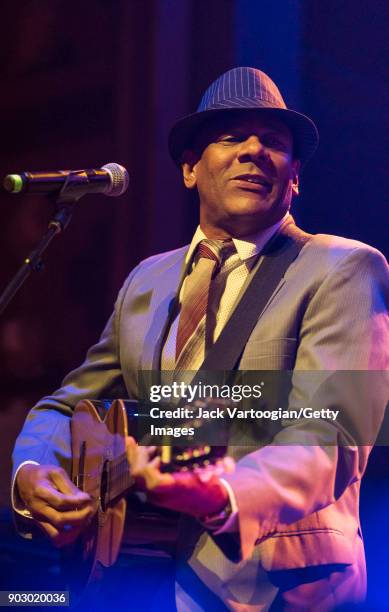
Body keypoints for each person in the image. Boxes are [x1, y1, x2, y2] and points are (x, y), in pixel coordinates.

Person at [12, 67, 389, 610]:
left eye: (275, 142)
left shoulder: (342, 268)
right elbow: (66, 406)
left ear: (295, 176)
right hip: (138, 580)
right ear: (190, 168)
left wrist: (224, 494)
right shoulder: (147, 281)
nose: (254, 151)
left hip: (280, 588)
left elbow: (332, 433)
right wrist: (33, 471)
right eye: (232, 137)